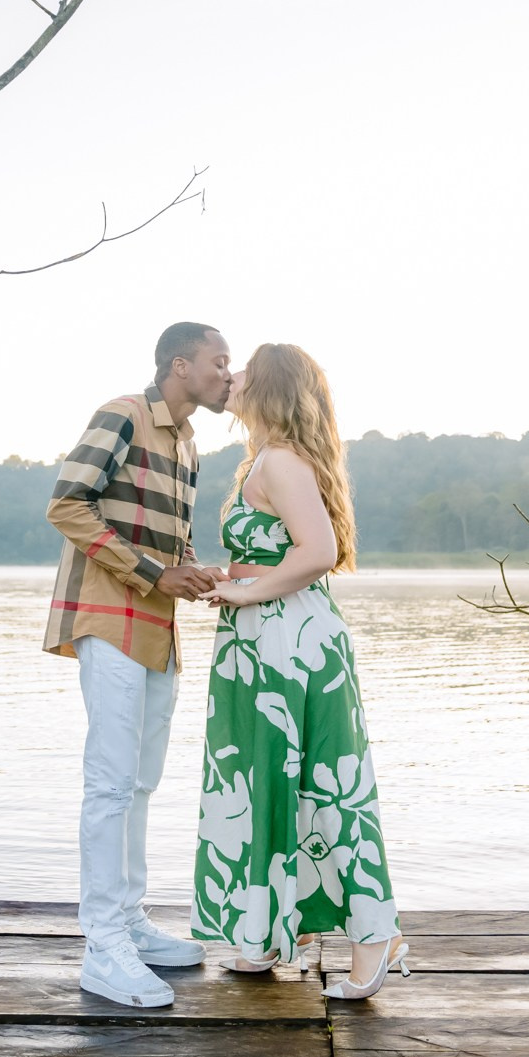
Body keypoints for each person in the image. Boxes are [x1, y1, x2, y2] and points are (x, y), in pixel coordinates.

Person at [192, 343, 408, 1000]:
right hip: (270, 638)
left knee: (319, 784)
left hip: (288, 643)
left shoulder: (281, 459)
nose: (231, 377)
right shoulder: (264, 458)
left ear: (270, 389)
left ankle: (376, 935)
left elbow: (320, 551)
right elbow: (283, 550)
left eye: (244, 371)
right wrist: (232, 575)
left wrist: (247, 593)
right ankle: (265, 933)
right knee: (267, 782)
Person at [46, 322, 232, 1008]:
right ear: (179, 365)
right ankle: (103, 948)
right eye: (218, 361)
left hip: (159, 626)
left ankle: (129, 921)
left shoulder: (188, 443)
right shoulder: (122, 413)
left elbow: (165, 547)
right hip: (110, 614)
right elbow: (67, 502)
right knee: (110, 783)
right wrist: (157, 572)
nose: (226, 373)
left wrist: (191, 574)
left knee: (142, 782)